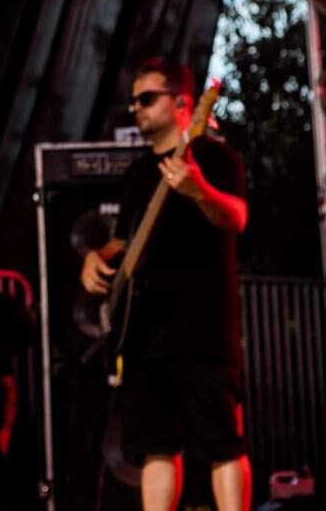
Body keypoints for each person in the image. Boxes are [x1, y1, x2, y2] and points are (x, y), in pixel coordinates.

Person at [80, 59, 251, 511]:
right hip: (144, 333)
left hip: (203, 329)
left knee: (222, 444)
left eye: (147, 98)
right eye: (133, 101)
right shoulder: (137, 173)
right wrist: (95, 259)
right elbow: (123, 240)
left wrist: (199, 190)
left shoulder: (215, 158)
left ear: (182, 103)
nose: (135, 108)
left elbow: (237, 217)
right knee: (155, 448)